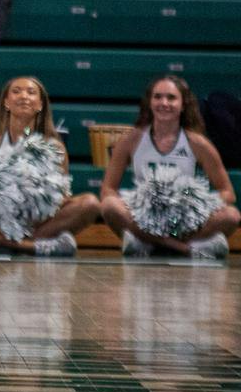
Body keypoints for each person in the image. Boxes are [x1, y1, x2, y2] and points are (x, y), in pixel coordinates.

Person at [0, 76, 101, 256]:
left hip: (37, 225)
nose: (24, 96)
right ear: (6, 102)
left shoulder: (55, 147)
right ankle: (35, 247)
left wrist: (34, 208)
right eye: (16, 91)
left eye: (31, 92)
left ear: (40, 105)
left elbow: (63, 198)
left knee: (90, 203)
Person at [98, 76, 239, 259]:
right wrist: (134, 205)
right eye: (157, 97)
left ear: (183, 105)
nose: (164, 103)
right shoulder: (131, 140)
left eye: (171, 98)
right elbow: (108, 189)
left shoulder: (198, 143)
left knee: (231, 215)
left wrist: (196, 204)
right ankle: (184, 248)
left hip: (183, 219)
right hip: (145, 216)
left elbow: (227, 192)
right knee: (109, 206)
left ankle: (149, 245)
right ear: (149, 102)